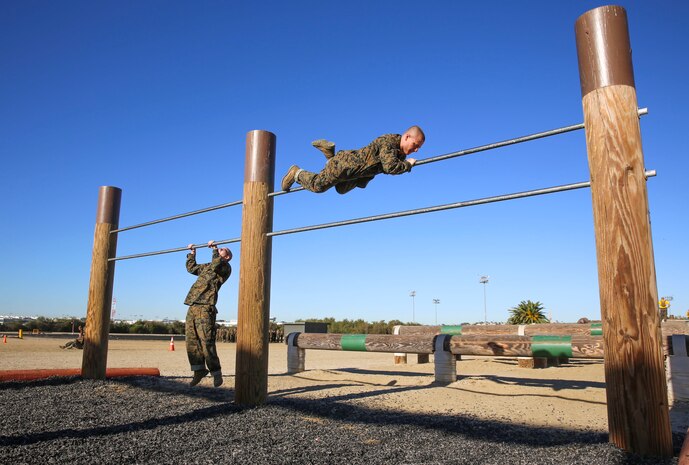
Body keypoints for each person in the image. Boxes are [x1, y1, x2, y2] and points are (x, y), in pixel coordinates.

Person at [281, 125, 425, 194]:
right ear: (406, 137)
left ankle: (330, 154)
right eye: (415, 145)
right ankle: (296, 173)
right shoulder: (388, 142)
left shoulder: (400, 153)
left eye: (419, 147)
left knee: (341, 189)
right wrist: (407, 165)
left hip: (354, 174)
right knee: (318, 186)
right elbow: (390, 167)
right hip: (346, 166)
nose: (416, 149)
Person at [184, 240, 232, 387]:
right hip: (193, 305)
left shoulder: (225, 267)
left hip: (206, 307)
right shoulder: (209, 266)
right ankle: (198, 370)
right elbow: (192, 269)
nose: (220, 250)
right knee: (192, 341)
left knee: (206, 341)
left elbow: (217, 264)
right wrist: (192, 254)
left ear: (228, 257)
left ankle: (216, 372)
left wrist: (214, 250)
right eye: (220, 249)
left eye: (223, 249)